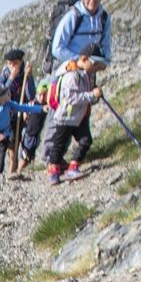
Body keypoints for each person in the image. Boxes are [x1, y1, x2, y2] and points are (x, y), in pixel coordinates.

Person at [42, 50, 104, 184]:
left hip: (78, 117)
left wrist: (93, 94)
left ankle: (73, 166)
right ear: (84, 59)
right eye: (94, 64)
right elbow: (71, 98)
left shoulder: (85, 75)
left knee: (86, 140)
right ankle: (54, 171)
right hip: (65, 118)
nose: (95, 68)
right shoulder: (71, 76)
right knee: (59, 145)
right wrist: (92, 95)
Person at [0, 80, 45, 175]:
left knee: (0, 157)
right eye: (6, 93)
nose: (9, 93)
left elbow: (24, 108)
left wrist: (40, 109)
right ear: (0, 97)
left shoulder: (10, 105)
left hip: (4, 137)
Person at [0, 49, 42, 170]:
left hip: (20, 114)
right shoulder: (2, 77)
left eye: (14, 63)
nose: (12, 66)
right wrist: (11, 77)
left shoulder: (25, 76)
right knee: (7, 147)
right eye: (9, 64)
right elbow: (0, 93)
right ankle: (3, 170)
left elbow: (31, 95)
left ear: (20, 62)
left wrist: (28, 77)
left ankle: (17, 168)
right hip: (6, 116)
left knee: (22, 141)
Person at [49, 0, 112, 69]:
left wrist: (104, 62)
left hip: (89, 71)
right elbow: (57, 49)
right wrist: (81, 61)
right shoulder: (72, 17)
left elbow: (106, 45)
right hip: (69, 70)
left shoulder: (104, 18)